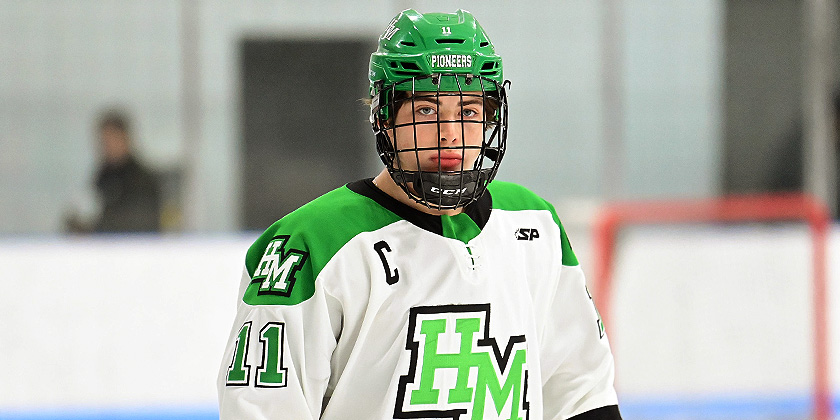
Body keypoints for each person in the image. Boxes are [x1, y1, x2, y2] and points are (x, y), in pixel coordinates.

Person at [218, 9, 622, 420]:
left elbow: (581, 391)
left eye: (468, 112)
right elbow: (261, 409)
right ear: (383, 117)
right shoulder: (311, 243)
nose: (450, 132)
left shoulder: (533, 223)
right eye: (426, 111)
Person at [66, 110, 162, 233]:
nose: (107, 147)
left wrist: (94, 230)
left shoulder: (142, 181)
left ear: (125, 138)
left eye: (112, 140)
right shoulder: (103, 175)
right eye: (104, 142)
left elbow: (140, 223)